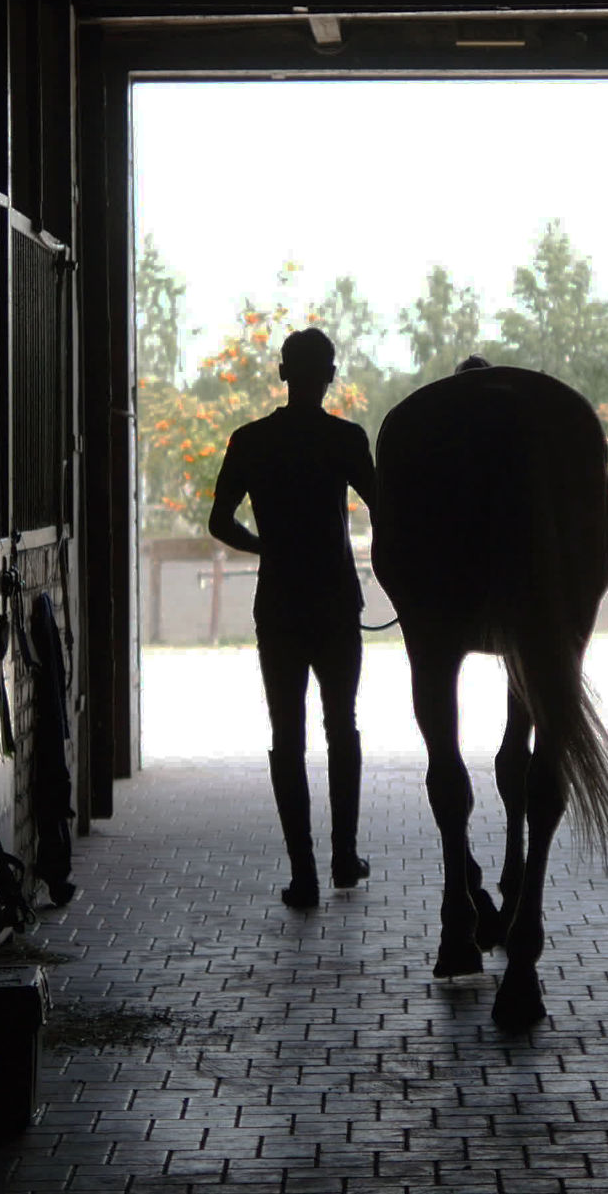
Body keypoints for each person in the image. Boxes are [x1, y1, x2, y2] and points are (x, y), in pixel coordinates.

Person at [208, 327, 377, 907]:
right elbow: (386, 507)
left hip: (279, 602)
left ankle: (303, 873)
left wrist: (266, 547)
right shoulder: (346, 439)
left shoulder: (250, 441)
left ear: (283, 373)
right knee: (341, 727)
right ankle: (344, 859)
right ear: (329, 375)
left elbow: (219, 522)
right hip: (335, 600)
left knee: (288, 736)